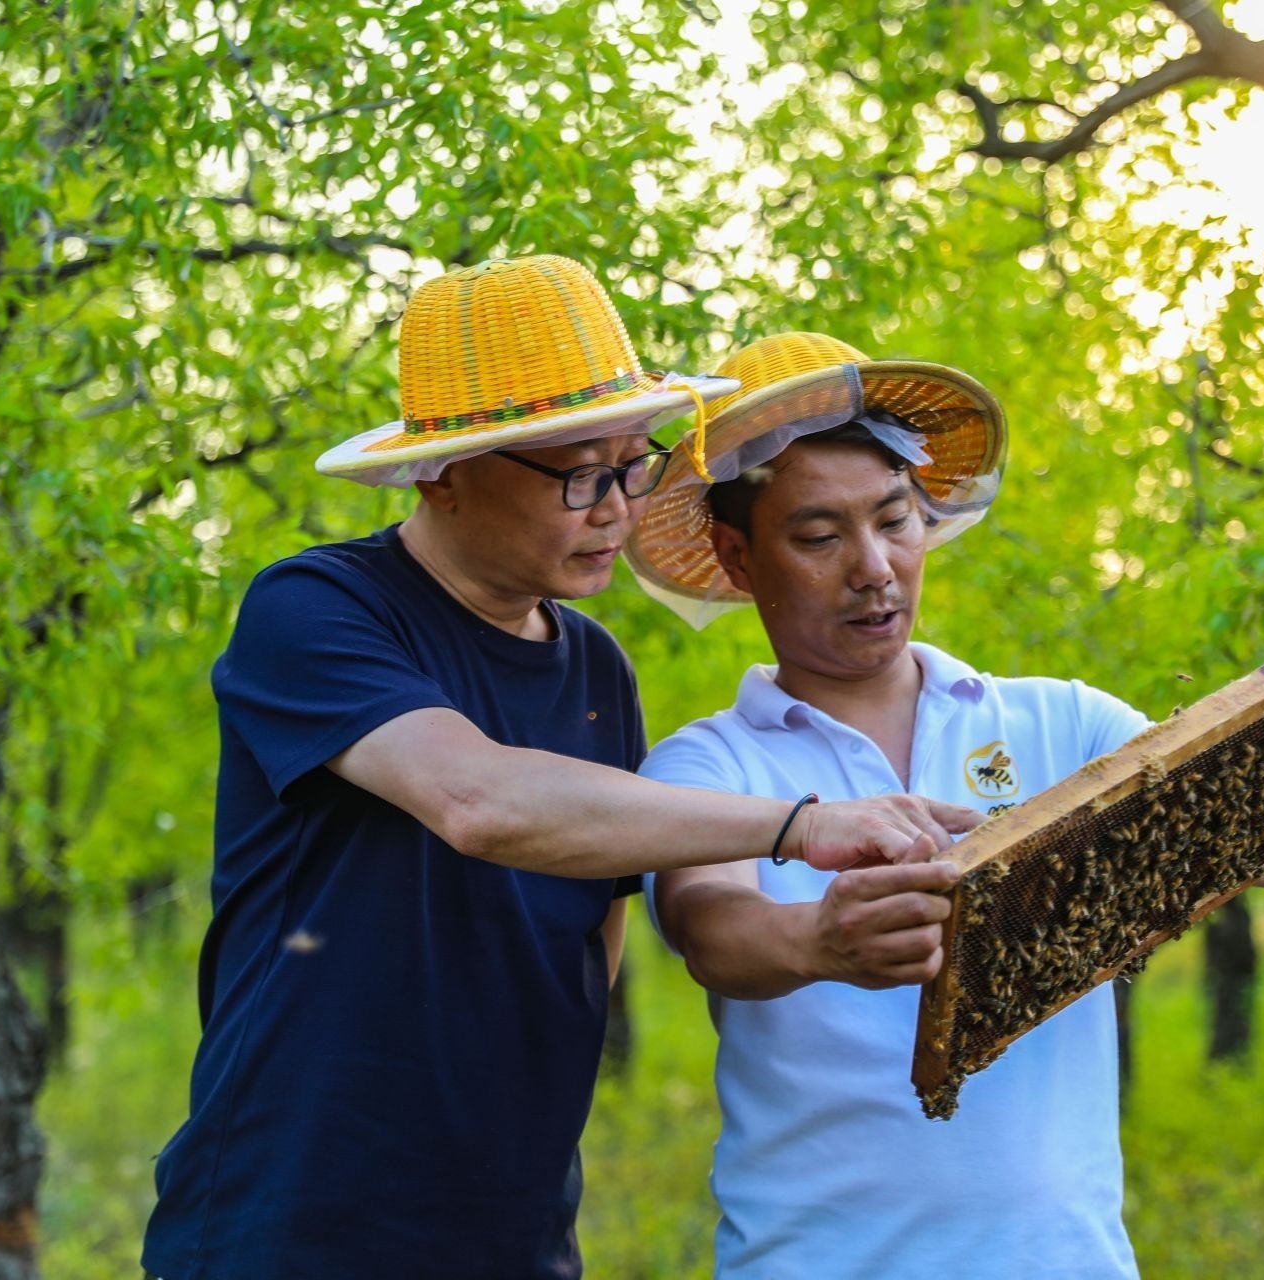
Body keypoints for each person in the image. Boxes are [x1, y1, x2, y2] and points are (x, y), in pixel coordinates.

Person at [139, 265, 979, 1280]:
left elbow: (594, 924)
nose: (617, 510)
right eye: (581, 477)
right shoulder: (318, 609)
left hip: (512, 1224)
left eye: (633, 466)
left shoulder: (593, 667)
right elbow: (476, 799)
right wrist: (800, 825)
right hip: (296, 1213)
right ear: (442, 474)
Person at [624, 331, 1264, 1279]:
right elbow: (713, 928)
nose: (873, 567)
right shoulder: (710, 761)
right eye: (820, 538)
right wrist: (818, 939)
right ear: (738, 557)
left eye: (895, 520)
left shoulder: (1064, 724)